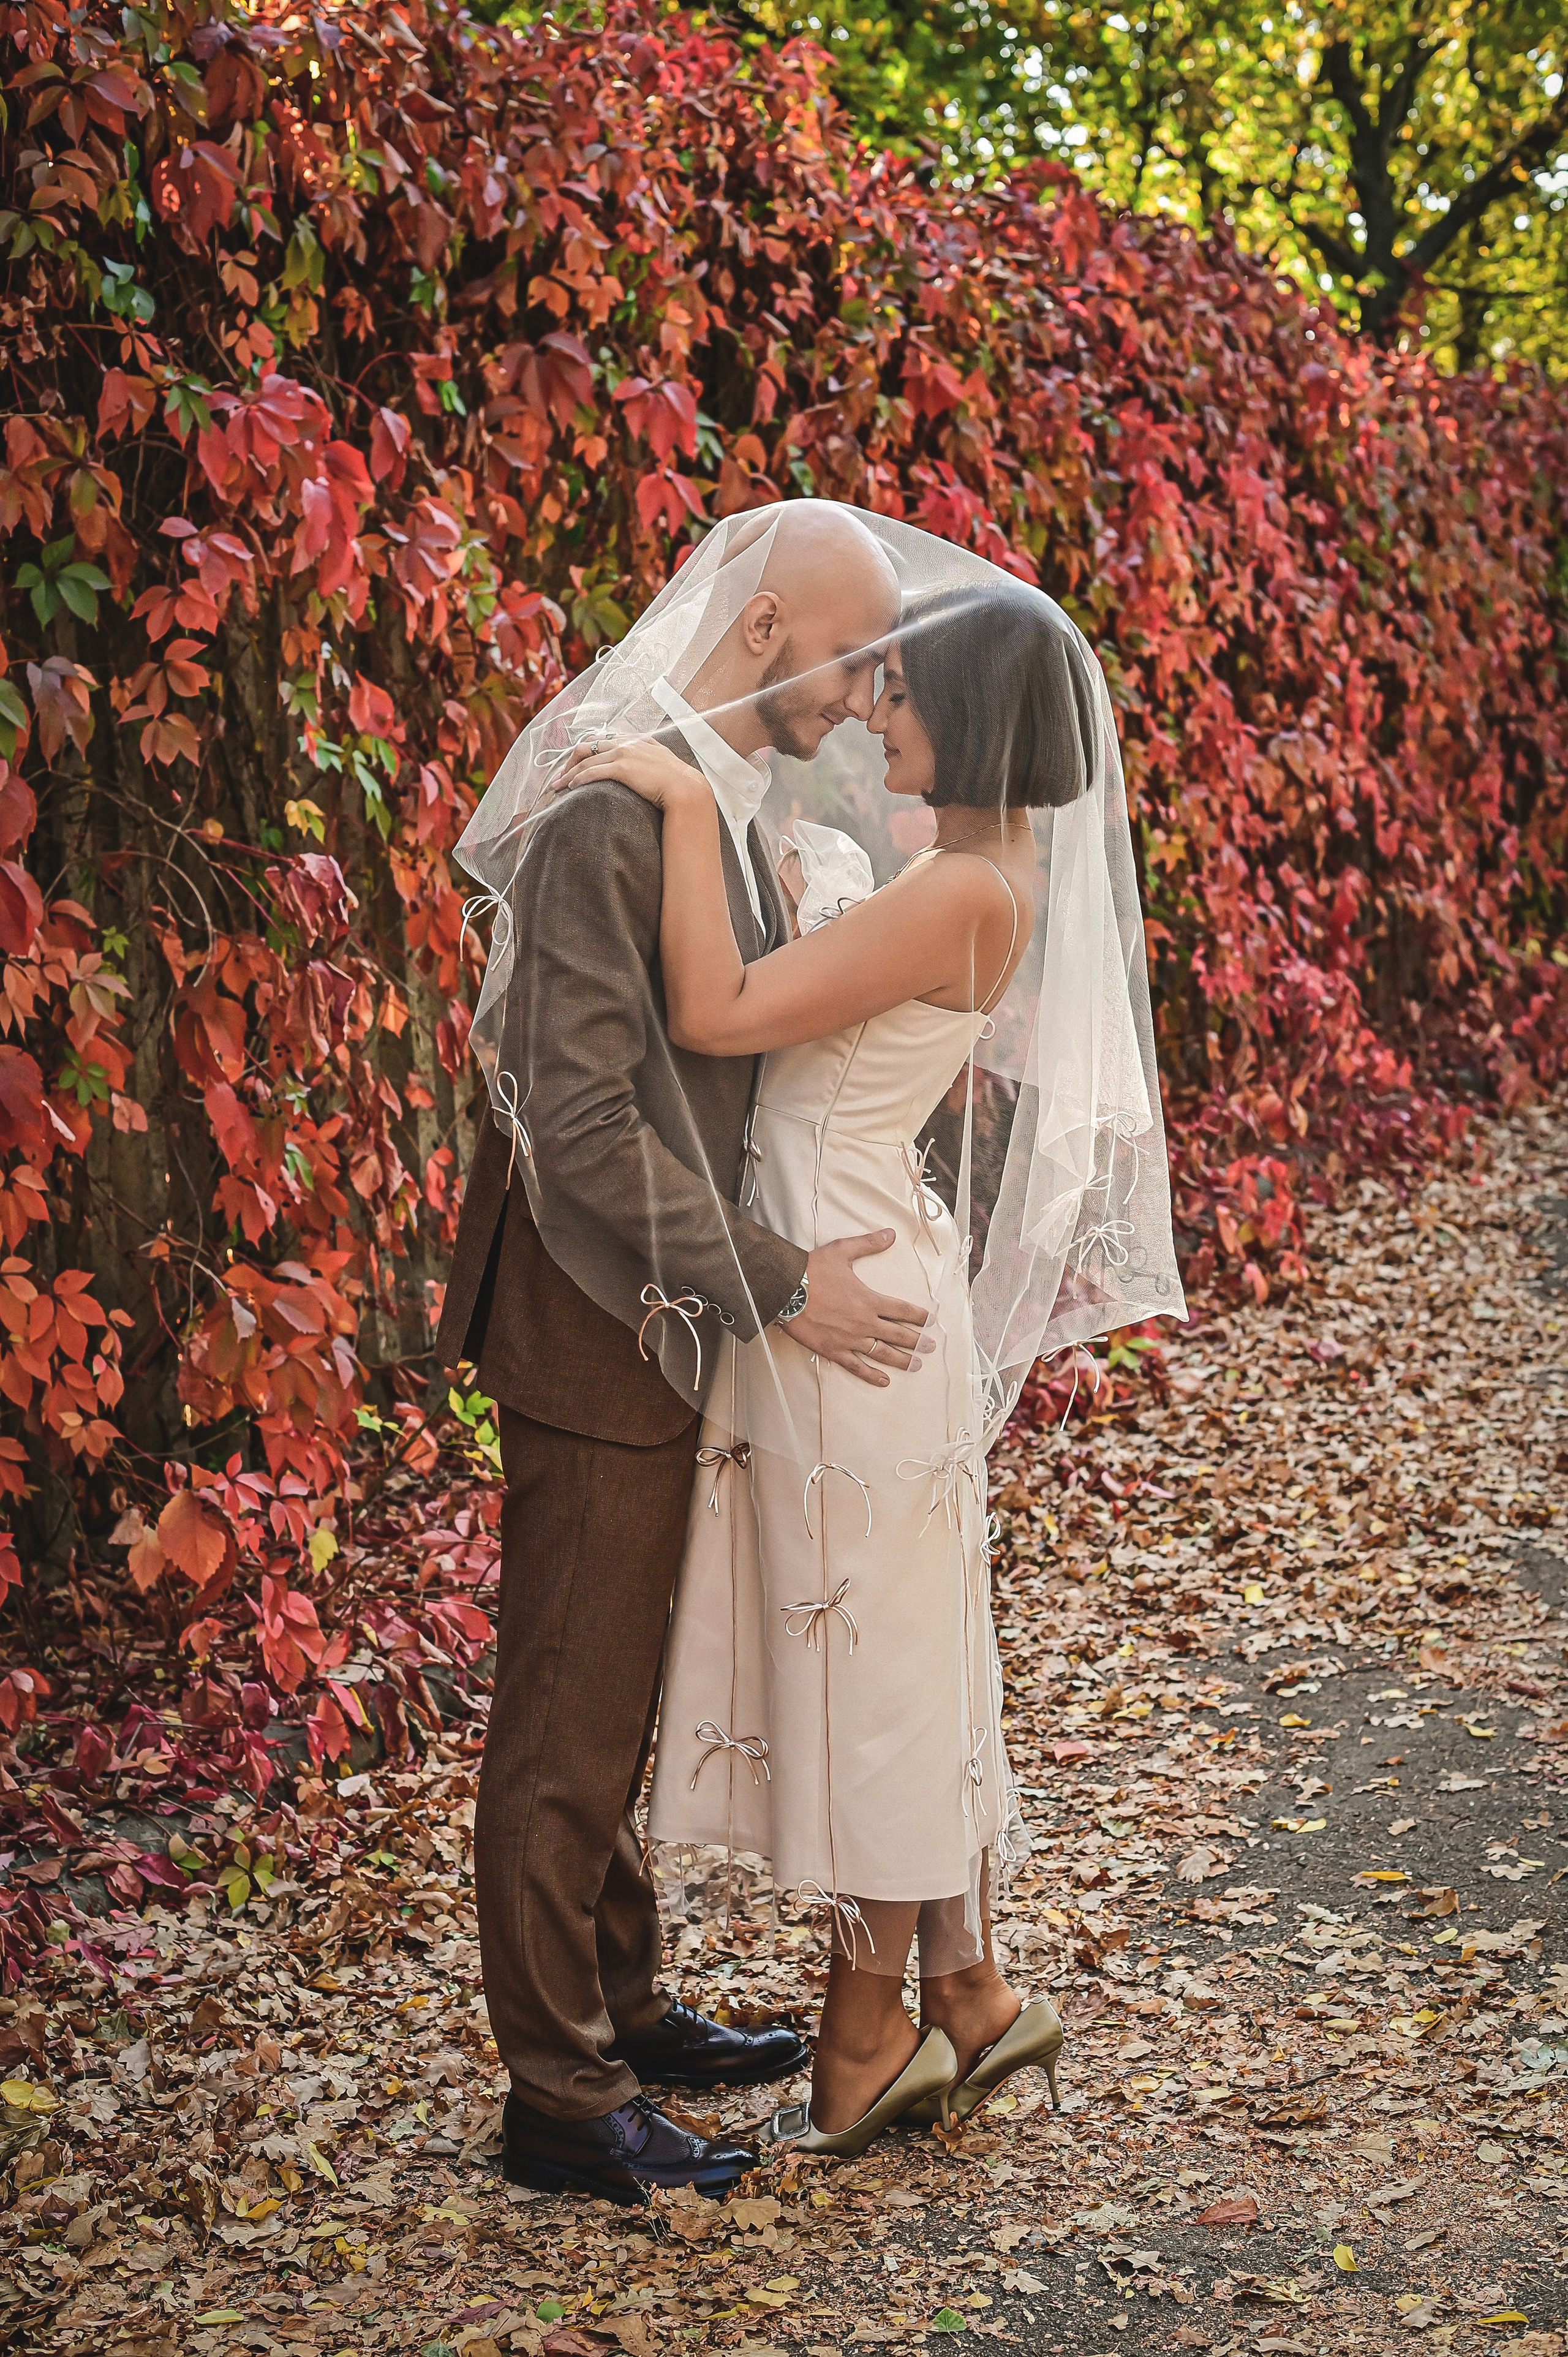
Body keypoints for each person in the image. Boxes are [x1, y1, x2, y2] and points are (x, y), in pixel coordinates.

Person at [558, 566, 1184, 2155]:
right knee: (905, 1661)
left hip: (846, 1302)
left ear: (964, 713)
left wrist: (688, 812)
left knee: (886, 1681)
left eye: (896, 690)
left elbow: (717, 1008)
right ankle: (956, 1988)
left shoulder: (968, 893)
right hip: (848, 1268)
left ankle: (863, 2037)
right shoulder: (959, 867)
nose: (865, 707)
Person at [434, 505, 945, 2205]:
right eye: (855, 655)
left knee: (618, 1693)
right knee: (567, 1724)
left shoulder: (711, 793)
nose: (870, 697)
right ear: (763, 627)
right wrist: (781, 1281)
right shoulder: (608, 809)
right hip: (595, 1324)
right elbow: (578, 1126)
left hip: (654, 1318)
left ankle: (626, 2010)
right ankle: (561, 2100)